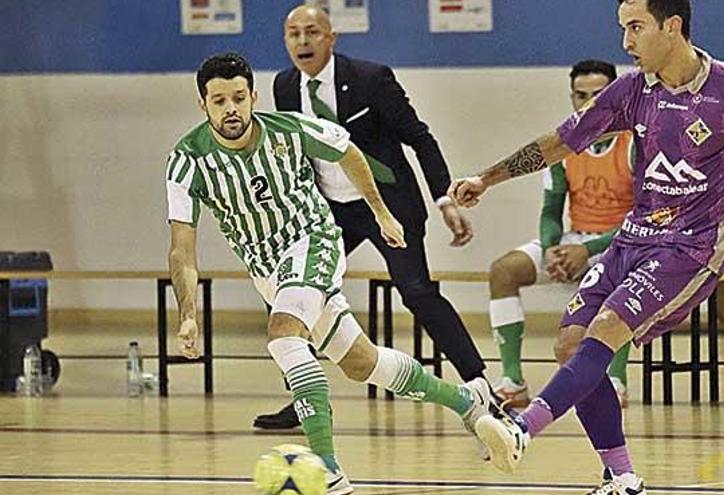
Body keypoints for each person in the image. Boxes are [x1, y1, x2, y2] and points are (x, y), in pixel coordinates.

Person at [450, 0, 724, 492]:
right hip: (633, 239)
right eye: (623, 28)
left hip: (691, 250)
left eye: (635, 27)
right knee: (569, 345)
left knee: (606, 328)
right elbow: (560, 141)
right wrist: (487, 178)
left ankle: (522, 429)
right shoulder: (631, 90)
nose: (626, 42)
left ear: (672, 27)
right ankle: (622, 477)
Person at [166, 52, 495, 495]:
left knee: (283, 335)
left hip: (313, 240)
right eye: (220, 100)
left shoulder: (289, 131)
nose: (231, 109)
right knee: (363, 363)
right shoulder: (187, 161)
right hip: (268, 269)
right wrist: (188, 312)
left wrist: (381, 212)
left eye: (239, 98)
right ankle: (466, 401)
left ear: (253, 97)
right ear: (202, 103)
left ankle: (327, 473)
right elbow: (181, 250)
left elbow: (347, 149)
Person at [254, 3, 492, 430]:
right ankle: (307, 399)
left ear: (332, 38)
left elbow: (419, 138)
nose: (303, 41)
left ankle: (480, 385)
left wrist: (444, 199)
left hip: (388, 204)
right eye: (294, 34)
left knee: (416, 291)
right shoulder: (285, 87)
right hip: (330, 210)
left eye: (312, 32)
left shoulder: (370, 78)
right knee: (290, 295)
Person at [488, 59, 635, 408]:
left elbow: (645, 218)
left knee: (620, 275)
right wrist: (553, 248)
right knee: (503, 271)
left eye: (597, 95)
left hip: (623, 241)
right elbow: (551, 210)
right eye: (580, 95)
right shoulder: (565, 146)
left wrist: (588, 250)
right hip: (575, 239)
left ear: (613, 95)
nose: (587, 103)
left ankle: (615, 379)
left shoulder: (635, 145)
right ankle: (512, 380)